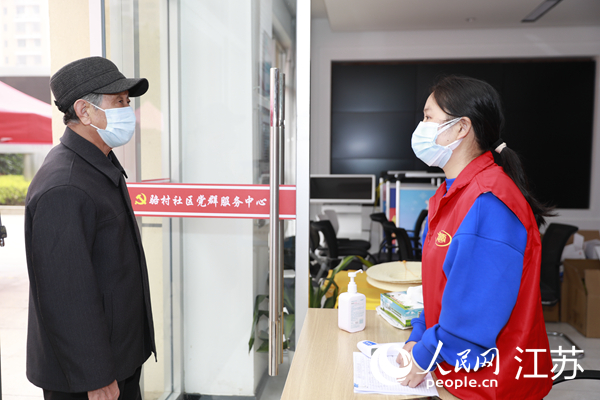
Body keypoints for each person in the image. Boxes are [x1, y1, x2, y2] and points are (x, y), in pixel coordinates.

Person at [397, 75, 554, 399]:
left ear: (461, 127)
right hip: (455, 374)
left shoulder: (488, 203)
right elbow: (442, 288)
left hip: (490, 383)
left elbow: (472, 319)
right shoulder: (453, 194)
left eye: (428, 117)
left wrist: (423, 355)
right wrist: (418, 334)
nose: (421, 127)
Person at [25, 56, 155, 400]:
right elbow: (65, 295)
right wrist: (95, 377)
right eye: (119, 102)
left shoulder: (97, 165)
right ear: (84, 111)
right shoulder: (65, 186)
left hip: (118, 360)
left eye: (127, 102)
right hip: (88, 378)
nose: (128, 112)